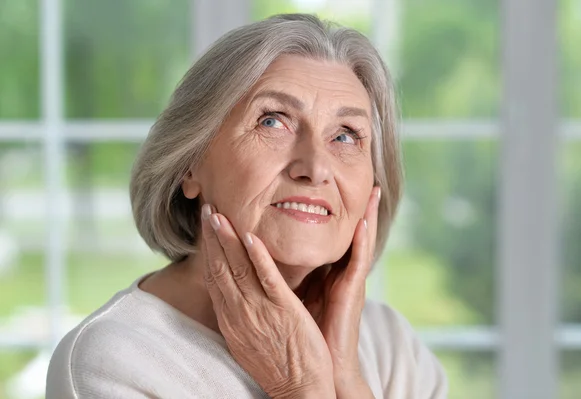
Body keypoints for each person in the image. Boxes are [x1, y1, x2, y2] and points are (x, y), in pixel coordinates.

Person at [46, 13, 447, 399]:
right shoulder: (110, 364)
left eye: (345, 136)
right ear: (190, 164)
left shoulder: (393, 347)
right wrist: (301, 386)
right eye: (272, 121)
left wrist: (342, 374)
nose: (316, 168)